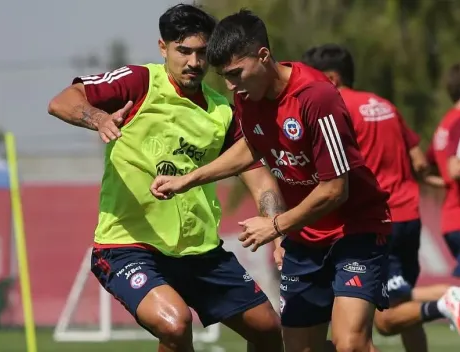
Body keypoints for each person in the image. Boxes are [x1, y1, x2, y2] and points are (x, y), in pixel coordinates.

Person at [151, 9, 393, 352]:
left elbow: (336, 189)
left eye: (236, 73)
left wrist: (276, 226)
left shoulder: (316, 97)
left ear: (263, 56)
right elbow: (251, 146)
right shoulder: (248, 98)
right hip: (306, 238)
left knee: (350, 343)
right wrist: (189, 179)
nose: (230, 86)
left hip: (355, 231)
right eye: (223, 76)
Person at [47, 4, 284, 352]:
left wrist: (276, 227)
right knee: (175, 324)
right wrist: (99, 118)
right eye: (183, 51)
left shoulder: (222, 111)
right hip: (129, 247)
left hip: (200, 252)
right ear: (163, 48)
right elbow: (62, 101)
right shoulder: (138, 82)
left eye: (202, 53)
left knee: (269, 331)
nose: (193, 62)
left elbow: (260, 178)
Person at [302, 44, 460, 351]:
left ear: (331, 78)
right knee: (403, 312)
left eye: (312, 79)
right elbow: (419, 162)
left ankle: (448, 296)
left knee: (384, 320)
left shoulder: (334, 108)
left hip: (374, 222)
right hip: (409, 217)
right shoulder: (384, 104)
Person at [428, 63, 460, 331]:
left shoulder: (445, 122)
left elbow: (425, 169)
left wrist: (445, 183)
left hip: (451, 217)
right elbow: (454, 169)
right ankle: (452, 301)